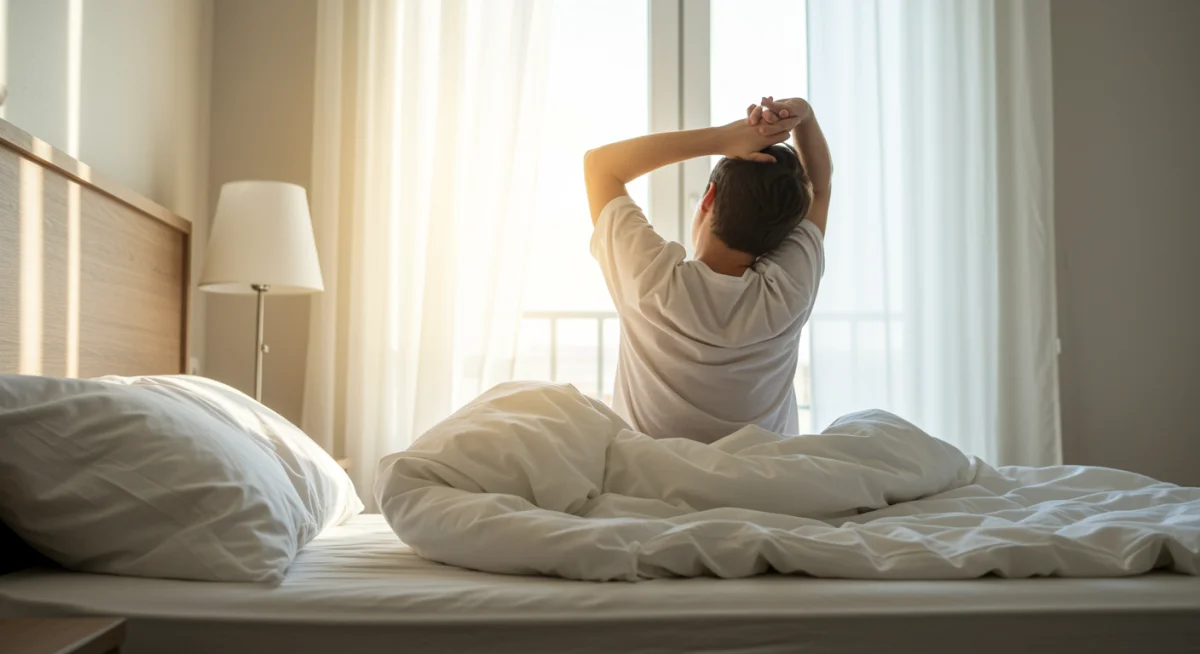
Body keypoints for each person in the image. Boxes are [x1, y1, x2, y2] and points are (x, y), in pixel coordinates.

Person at [583, 97, 833, 443]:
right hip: (764, 487)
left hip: (652, 482)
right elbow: (820, 188)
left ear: (708, 197)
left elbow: (600, 165)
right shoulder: (790, 291)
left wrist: (724, 137)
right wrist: (803, 115)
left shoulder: (651, 281)